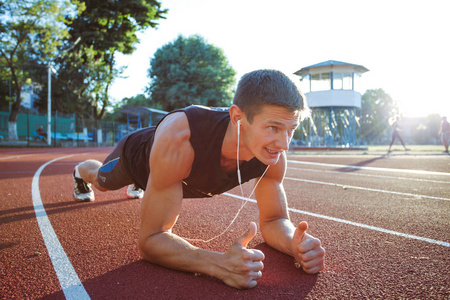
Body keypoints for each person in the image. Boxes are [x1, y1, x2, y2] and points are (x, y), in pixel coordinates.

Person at [72, 69, 325, 289]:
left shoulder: (272, 154)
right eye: (273, 128)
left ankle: (151, 185)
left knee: (158, 183)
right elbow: (151, 240)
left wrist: (295, 243)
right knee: (101, 182)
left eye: (291, 130)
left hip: (165, 172)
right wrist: (218, 264)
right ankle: (80, 172)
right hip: (137, 158)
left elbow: (274, 220)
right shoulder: (181, 139)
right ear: (238, 117)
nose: (284, 145)